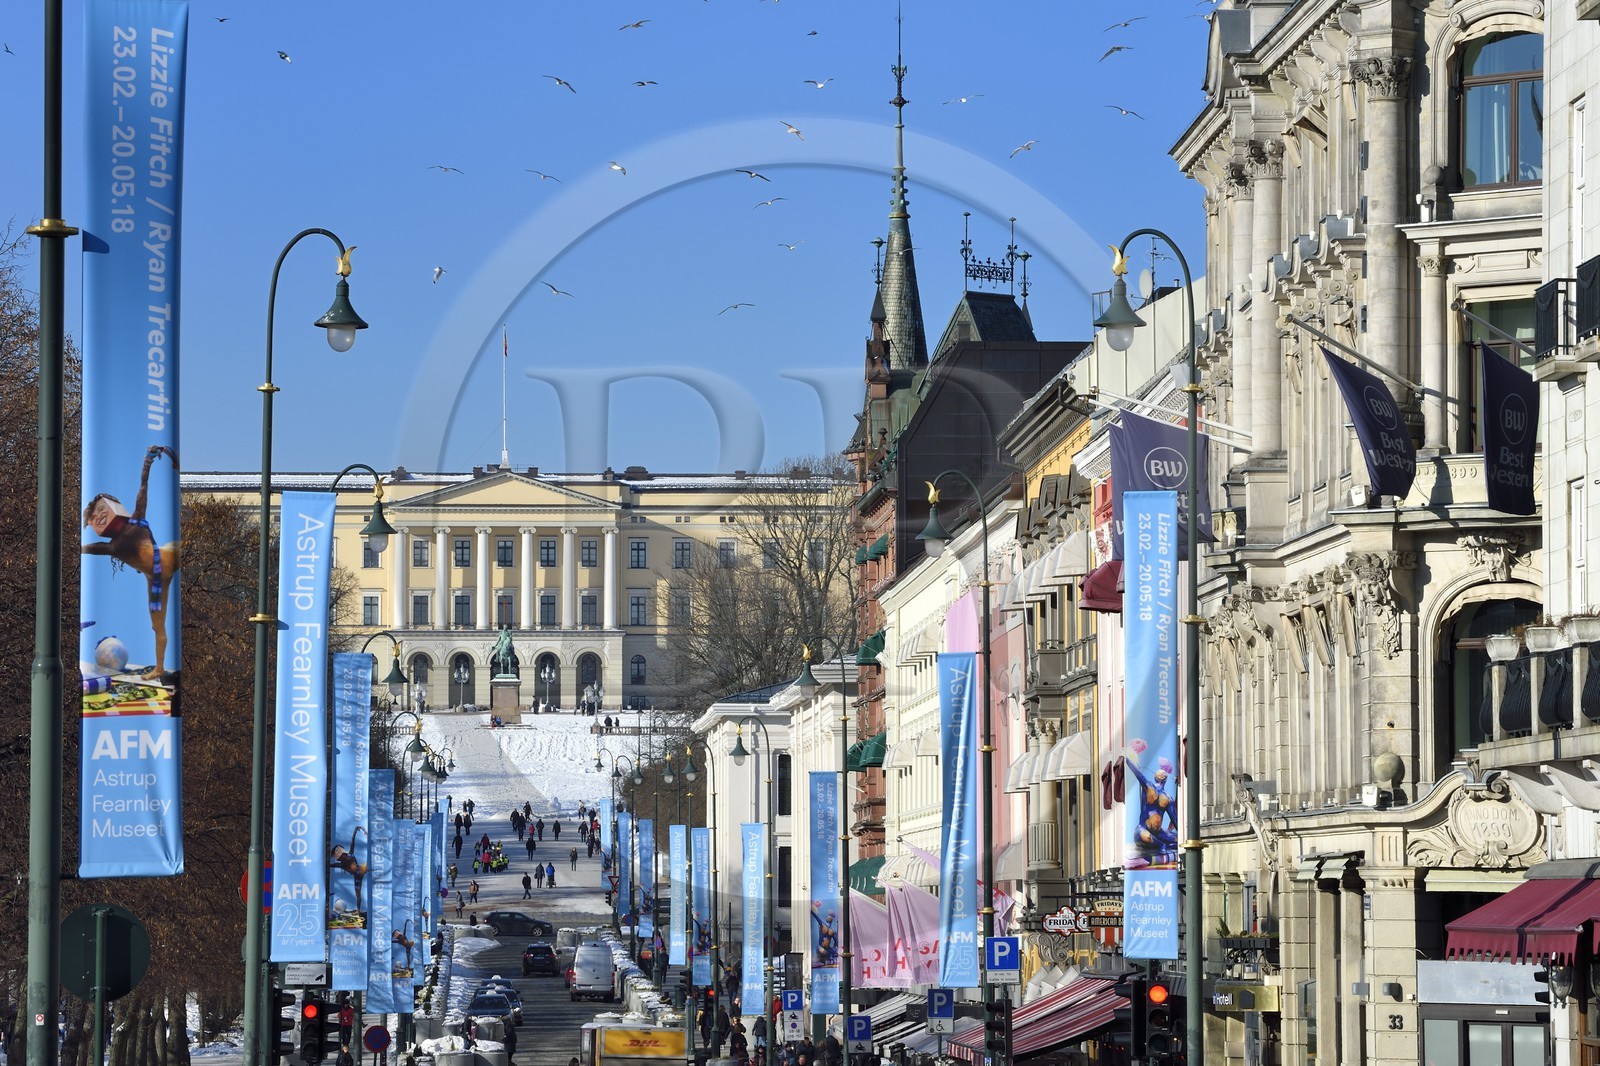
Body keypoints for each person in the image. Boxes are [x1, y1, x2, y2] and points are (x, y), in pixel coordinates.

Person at [81, 446, 182, 680]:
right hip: (156, 579)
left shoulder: (137, 521)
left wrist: (148, 462)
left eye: (99, 511)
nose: (99, 517)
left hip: (166, 556)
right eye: (94, 517)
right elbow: (86, 549)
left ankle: (159, 667)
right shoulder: (111, 546)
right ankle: (159, 667)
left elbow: (143, 487)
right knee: (157, 626)